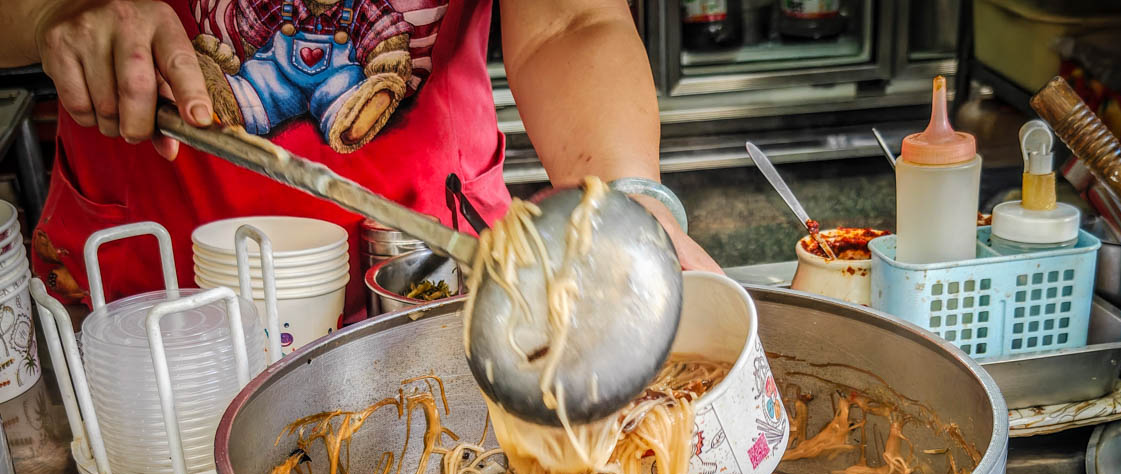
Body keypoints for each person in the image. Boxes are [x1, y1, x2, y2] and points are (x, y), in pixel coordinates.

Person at [0, 0, 719, 315]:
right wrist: (48, 11)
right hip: (155, 289)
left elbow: (570, 19)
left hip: (430, 270)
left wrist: (629, 202)